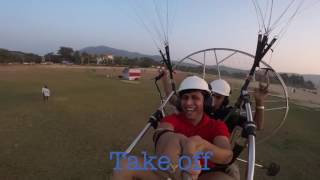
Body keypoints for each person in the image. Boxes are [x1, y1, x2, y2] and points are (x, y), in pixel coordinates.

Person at [112, 76, 233, 180]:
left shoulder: (217, 125)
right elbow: (162, 133)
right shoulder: (172, 119)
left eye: (195, 97)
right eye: (185, 98)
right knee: (124, 165)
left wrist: (204, 146)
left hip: (204, 175)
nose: (188, 103)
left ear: (206, 102)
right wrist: (175, 140)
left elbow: (227, 155)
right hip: (169, 173)